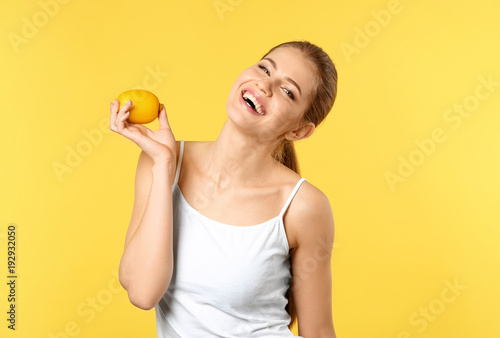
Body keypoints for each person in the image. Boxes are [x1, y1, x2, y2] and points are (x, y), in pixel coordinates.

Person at [110, 40, 338, 337]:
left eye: (287, 91)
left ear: (299, 130)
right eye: (265, 67)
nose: (265, 85)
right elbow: (142, 292)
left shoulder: (304, 206)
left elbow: (318, 331)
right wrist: (164, 165)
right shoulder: (161, 161)